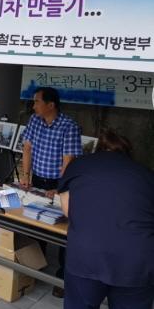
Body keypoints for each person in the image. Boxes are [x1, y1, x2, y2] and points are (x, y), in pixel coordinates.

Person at [58, 130, 154, 309]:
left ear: (98, 149)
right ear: (127, 153)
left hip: (87, 256)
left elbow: (68, 210)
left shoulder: (79, 165)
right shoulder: (147, 174)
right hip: (137, 262)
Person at [20, 86, 82, 297]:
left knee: (63, 229)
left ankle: (63, 278)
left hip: (59, 182)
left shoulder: (68, 126)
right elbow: (27, 148)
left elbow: (68, 160)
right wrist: (25, 176)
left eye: (37, 101)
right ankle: (36, 267)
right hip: (38, 179)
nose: (33, 106)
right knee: (36, 223)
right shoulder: (35, 120)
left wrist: (61, 187)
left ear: (51, 105)